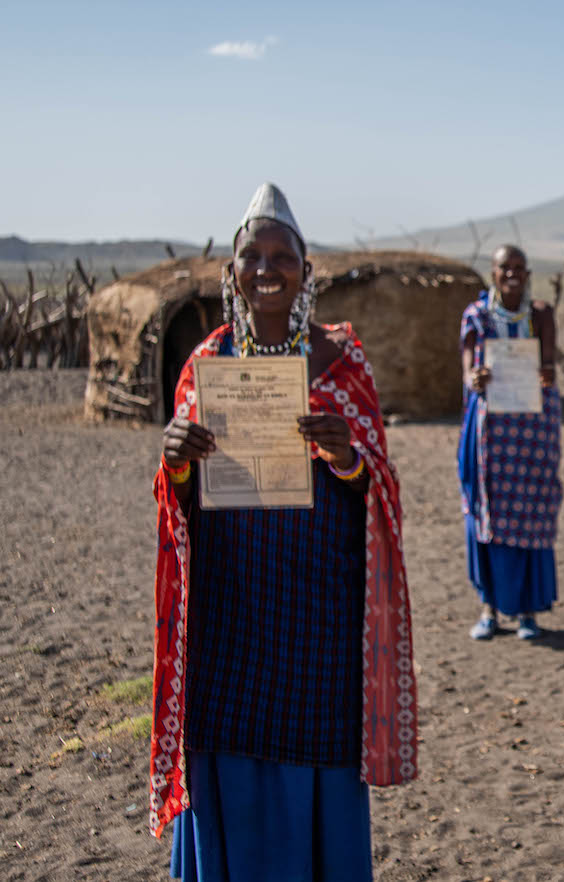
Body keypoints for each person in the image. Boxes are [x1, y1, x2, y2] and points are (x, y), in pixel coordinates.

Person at [150, 183, 418, 880]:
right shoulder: (206, 366)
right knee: (228, 746)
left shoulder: (342, 365)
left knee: (315, 747)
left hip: (318, 617)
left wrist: (346, 457)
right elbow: (176, 500)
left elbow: (381, 492)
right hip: (229, 611)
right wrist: (176, 460)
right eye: (251, 256)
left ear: (307, 271)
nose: (266, 269)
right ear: (230, 272)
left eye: (282, 256)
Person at [458, 245, 562, 640]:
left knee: (533, 510)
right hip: (489, 433)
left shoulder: (540, 315)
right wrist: (476, 379)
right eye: (505, 267)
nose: (512, 274)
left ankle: (527, 612)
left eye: (519, 267)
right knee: (487, 515)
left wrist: (545, 374)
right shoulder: (477, 316)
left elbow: (548, 364)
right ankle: (489, 607)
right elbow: (468, 370)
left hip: (532, 430)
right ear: (493, 271)